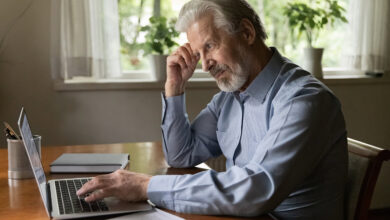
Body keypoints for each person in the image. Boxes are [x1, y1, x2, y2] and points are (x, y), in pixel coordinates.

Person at [77, 0, 348, 219]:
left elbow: (257, 189)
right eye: (198, 53)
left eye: (210, 46)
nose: (205, 66)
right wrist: (175, 87)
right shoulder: (230, 96)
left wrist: (145, 186)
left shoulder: (304, 100)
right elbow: (182, 155)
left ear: (247, 32)